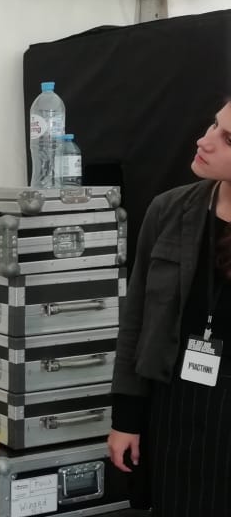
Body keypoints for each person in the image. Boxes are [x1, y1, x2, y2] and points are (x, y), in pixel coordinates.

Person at [108, 99, 231, 516]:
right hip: (174, 405)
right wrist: (125, 418)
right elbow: (136, 321)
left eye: (228, 139)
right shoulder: (168, 211)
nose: (204, 141)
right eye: (213, 125)